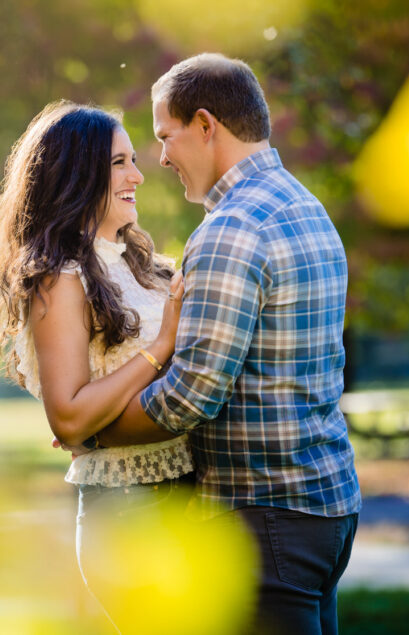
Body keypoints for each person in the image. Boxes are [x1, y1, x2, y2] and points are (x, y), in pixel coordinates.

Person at [93, 54, 362, 635]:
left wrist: (94, 430)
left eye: (167, 136)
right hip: (326, 505)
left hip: (264, 518)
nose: (159, 157)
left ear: (206, 125)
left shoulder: (231, 229)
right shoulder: (305, 208)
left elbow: (189, 398)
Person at [0, 101, 193, 630]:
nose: (138, 175)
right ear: (78, 174)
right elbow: (71, 419)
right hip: (129, 512)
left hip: (184, 497)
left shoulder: (144, 268)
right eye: (119, 163)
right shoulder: (59, 278)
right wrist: (161, 344)